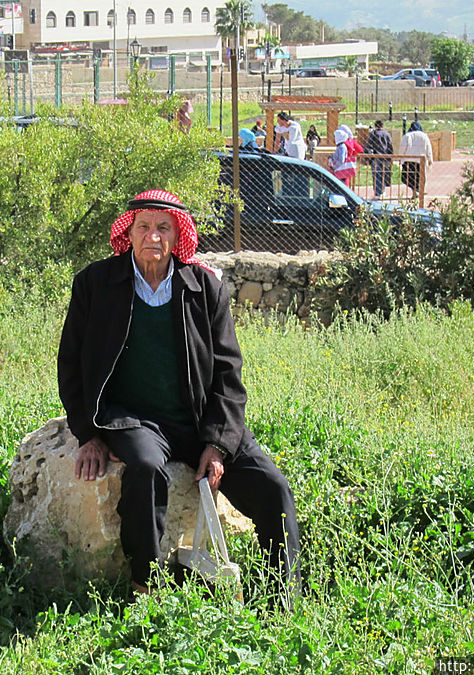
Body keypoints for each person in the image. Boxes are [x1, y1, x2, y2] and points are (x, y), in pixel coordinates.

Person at [57, 190, 301, 599]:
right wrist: (88, 434)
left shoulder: (205, 287)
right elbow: (71, 364)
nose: (153, 236)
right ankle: (145, 586)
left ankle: (285, 600)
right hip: (134, 419)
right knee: (147, 470)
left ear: (177, 235)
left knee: (272, 489)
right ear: (129, 234)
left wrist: (218, 443)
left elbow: (228, 370)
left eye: (163, 227)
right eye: (144, 227)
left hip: (199, 417)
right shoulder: (95, 284)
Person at [398, 120, 433, 200]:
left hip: (409, 160)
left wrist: (400, 157)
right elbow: (428, 148)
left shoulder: (407, 136)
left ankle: (415, 191)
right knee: (420, 177)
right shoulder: (424, 136)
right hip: (421, 160)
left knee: (409, 177)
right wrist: (430, 159)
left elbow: (402, 148)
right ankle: (420, 191)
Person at [364, 120, 393, 199]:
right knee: (384, 174)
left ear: (375, 126)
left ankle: (378, 193)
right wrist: (391, 157)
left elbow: (368, 145)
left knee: (377, 175)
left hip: (376, 157)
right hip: (385, 157)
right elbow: (390, 146)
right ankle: (383, 191)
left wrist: (368, 157)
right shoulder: (387, 134)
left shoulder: (373, 134)